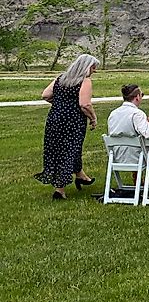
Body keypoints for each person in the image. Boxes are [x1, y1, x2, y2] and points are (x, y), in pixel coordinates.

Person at [34, 54, 99, 200]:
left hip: (54, 119)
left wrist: (60, 105)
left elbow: (46, 95)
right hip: (73, 121)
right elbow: (85, 104)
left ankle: (81, 176)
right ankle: (60, 189)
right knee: (69, 150)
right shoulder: (85, 81)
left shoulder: (61, 78)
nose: (94, 71)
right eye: (94, 67)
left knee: (60, 149)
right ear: (87, 67)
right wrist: (93, 118)